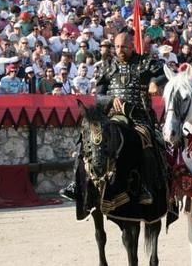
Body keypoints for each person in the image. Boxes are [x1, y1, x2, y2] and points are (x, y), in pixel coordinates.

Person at [60, 32, 166, 205]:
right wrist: (111, 100)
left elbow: (165, 74)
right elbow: (98, 96)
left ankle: (145, 186)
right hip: (111, 117)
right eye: (117, 47)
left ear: (132, 46)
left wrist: (155, 82)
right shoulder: (107, 66)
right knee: (85, 137)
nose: (120, 50)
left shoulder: (145, 63)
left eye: (123, 46)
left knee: (146, 140)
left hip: (138, 116)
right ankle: (77, 184)